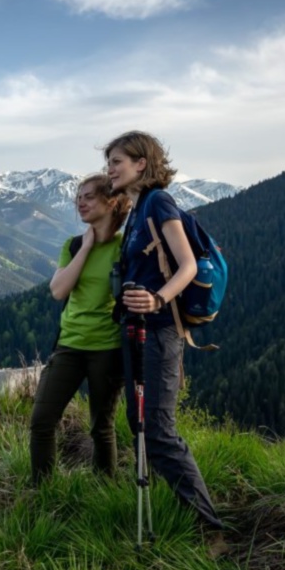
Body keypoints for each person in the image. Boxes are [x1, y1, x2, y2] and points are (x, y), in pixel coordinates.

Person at [103, 131, 225, 533]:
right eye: (109, 162)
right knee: (138, 423)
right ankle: (157, 510)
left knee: (158, 432)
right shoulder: (137, 209)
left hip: (160, 330)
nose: (110, 168)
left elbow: (187, 265)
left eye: (117, 161)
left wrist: (157, 299)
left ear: (141, 163)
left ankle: (210, 529)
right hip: (137, 328)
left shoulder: (158, 202)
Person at [30, 174, 130, 485]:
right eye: (79, 197)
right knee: (42, 421)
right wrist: (85, 248)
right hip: (70, 345)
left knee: (102, 426)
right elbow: (58, 290)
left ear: (111, 202)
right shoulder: (73, 245)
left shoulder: (125, 247)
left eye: (88, 197)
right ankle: (42, 491)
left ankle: (104, 490)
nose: (80, 203)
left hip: (108, 348)